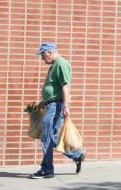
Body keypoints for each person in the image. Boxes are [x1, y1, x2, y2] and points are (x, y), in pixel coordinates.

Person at [31, 42, 85, 179]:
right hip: (52, 104)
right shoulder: (54, 65)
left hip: (56, 106)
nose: (42, 58)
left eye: (43, 55)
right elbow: (54, 88)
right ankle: (77, 155)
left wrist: (65, 106)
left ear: (49, 52)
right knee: (50, 136)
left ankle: (47, 169)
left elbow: (65, 87)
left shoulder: (61, 64)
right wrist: (45, 102)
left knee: (46, 136)